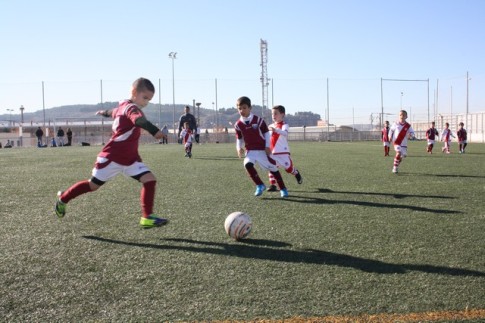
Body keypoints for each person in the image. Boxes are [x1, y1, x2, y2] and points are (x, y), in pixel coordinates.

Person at [55, 77, 168, 228]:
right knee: (93, 186)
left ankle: (147, 217)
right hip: (112, 157)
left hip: (130, 159)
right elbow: (138, 121)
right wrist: (155, 131)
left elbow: (112, 112)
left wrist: (103, 112)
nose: (146, 102)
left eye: (149, 100)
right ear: (134, 92)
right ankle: (63, 198)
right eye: (145, 97)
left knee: (150, 180)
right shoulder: (131, 109)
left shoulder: (122, 107)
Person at [234, 96, 288, 198]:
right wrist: (238, 148)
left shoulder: (258, 120)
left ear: (250, 108)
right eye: (239, 108)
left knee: (273, 169)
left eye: (244, 108)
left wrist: (267, 146)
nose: (242, 110)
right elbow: (239, 138)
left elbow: (266, 133)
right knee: (247, 164)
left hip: (262, 150)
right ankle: (259, 185)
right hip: (250, 151)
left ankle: (283, 188)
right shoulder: (238, 124)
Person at [266, 105, 302, 192]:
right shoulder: (270, 126)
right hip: (272, 152)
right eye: (272, 114)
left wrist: (275, 130)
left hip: (283, 152)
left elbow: (285, 133)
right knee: (271, 167)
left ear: (282, 114)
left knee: (289, 169)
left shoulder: (284, 125)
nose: (273, 115)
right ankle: (273, 185)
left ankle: (296, 173)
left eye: (275, 113)